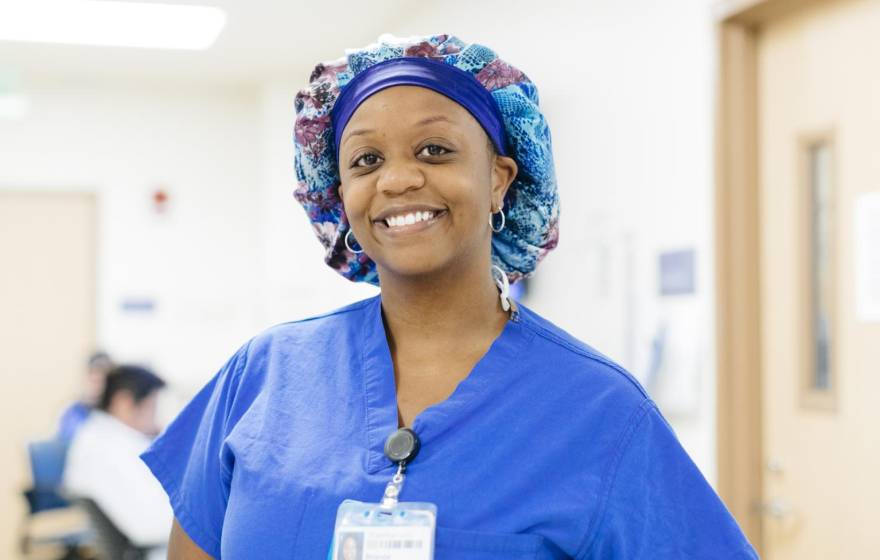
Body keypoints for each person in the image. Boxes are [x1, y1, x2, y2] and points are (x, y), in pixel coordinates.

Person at [141, 34, 758, 559]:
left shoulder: (600, 412)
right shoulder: (265, 374)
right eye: (365, 159)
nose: (398, 178)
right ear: (339, 193)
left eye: (434, 150)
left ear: (498, 179)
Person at [64, 365, 171, 558]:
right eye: (152, 406)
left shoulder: (110, 438)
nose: (156, 419)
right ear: (123, 403)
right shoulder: (104, 448)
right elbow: (150, 527)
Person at [57, 351, 114, 442]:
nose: (98, 385)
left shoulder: (116, 414)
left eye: (103, 379)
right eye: (94, 379)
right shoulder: (72, 412)